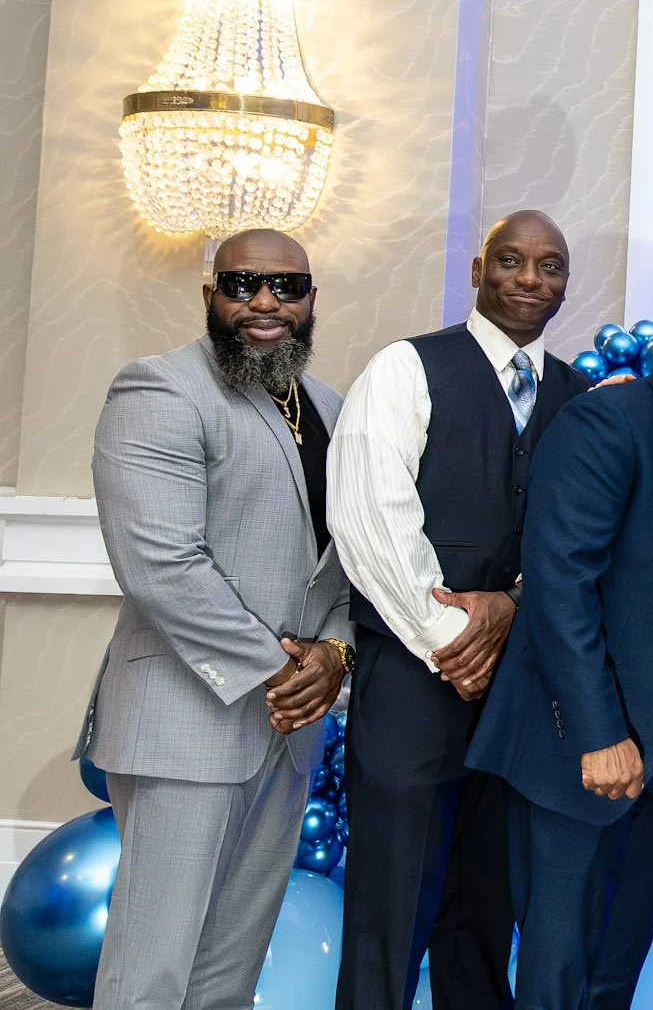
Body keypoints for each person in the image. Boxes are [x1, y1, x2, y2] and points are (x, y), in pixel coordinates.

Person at [467, 278, 653, 1010]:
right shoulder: (607, 419)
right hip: (575, 748)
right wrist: (599, 734)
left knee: (614, 972)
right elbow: (560, 584)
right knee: (555, 978)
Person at [75, 229, 351, 1010]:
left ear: (311, 299)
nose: (264, 301)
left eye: (285, 286)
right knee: (151, 973)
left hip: (288, 732)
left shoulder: (330, 407)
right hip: (186, 720)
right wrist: (286, 668)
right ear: (210, 295)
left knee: (230, 970)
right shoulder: (159, 389)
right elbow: (162, 564)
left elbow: (345, 563)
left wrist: (336, 652)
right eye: (241, 283)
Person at [329, 210, 589, 1010]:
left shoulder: (580, 397)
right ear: (478, 270)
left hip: (521, 690)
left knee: (484, 905)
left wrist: (512, 605)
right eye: (510, 260)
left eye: (550, 266)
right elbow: (370, 513)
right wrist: (451, 638)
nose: (529, 278)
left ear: (565, 285)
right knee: (389, 903)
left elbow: (587, 538)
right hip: (413, 678)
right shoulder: (406, 368)